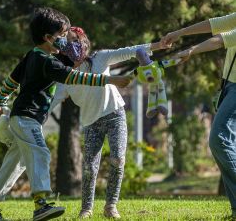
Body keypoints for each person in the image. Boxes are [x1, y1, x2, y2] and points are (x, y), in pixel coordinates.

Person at [0, 7, 131, 221]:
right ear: (48, 38)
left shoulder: (32, 55)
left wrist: (1, 100)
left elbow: (12, 80)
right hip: (27, 119)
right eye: (62, 36)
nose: (66, 41)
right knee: (41, 153)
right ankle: (41, 204)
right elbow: (77, 78)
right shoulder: (48, 62)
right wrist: (111, 80)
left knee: (15, 163)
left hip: (20, 117)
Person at [50, 26, 159, 219]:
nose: (71, 46)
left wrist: (157, 45)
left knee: (118, 159)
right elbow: (50, 104)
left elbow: (131, 51)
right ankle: (86, 209)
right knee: (89, 167)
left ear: (83, 42)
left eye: (74, 40)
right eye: (66, 42)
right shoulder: (64, 77)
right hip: (91, 122)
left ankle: (111, 206)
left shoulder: (100, 58)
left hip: (115, 115)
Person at [159, 12, 236, 218]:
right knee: (224, 143)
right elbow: (215, 24)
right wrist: (179, 33)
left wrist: (191, 50)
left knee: (220, 139)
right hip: (229, 85)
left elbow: (221, 40)